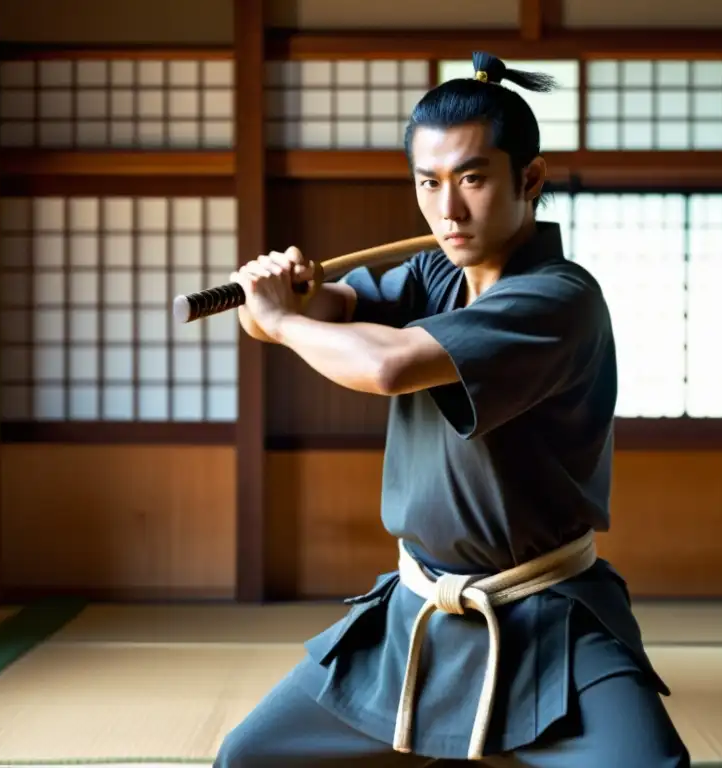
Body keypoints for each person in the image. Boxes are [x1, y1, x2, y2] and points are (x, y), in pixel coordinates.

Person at [216, 51, 690, 768]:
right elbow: (337, 309)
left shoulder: (559, 298)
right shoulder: (438, 271)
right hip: (415, 610)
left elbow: (388, 365)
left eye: (472, 178)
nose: (448, 208)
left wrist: (284, 321)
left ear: (528, 178)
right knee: (248, 759)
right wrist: (280, 295)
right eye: (428, 182)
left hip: (546, 612)